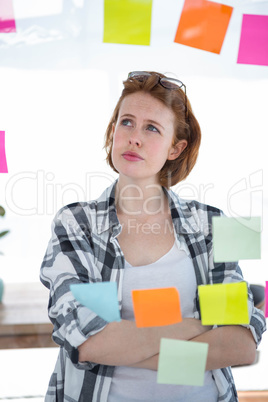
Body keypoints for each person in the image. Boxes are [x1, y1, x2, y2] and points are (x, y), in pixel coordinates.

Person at [40, 70, 266, 402]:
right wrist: (198, 326)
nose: (134, 137)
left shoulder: (212, 222)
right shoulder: (75, 223)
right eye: (126, 122)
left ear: (176, 148)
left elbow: (242, 345)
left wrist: (133, 348)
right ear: (113, 131)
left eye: (152, 128)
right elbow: (88, 342)